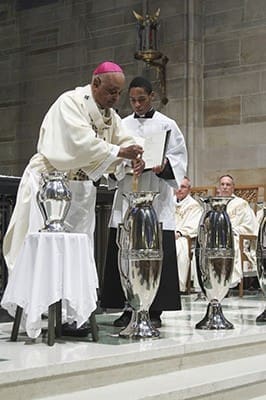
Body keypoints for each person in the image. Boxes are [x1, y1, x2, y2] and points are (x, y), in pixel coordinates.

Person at [2, 61, 144, 336]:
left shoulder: (109, 115)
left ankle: (71, 316)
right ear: (95, 84)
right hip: (51, 186)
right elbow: (78, 144)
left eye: (119, 94)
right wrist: (118, 152)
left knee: (78, 255)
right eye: (111, 92)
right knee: (47, 254)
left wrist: (134, 158)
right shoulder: (70, 102)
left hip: (81, 191)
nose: (115, 99)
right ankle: (37, 314)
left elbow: (125, 141)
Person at [100, 76, 187, 328]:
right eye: (133, 100)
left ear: (151, 97)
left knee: (153, 252)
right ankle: (129, 306)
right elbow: (111, 157)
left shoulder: (167, 124)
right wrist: (125, 163)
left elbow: (180, 158)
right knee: (126, 252)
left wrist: (164, 167)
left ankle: (154, 308)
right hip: (128, 194)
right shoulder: (121, 124)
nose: (137, 104)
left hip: (156, 198)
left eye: (141, 99)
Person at [218, 175, 258, 287]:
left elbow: (249, 226)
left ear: (233, 187)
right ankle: (212, 282)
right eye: (222, 184)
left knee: (230, 243)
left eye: (228, 184)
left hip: (237, 237)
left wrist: (231, 231)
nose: (225, 187)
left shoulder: (241, 203)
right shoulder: (214, 204)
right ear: (219, 187)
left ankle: (228, 283)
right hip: (217, 237)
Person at [174, 177, 203, 292]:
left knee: (178, 246)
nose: (180, 189)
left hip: (185, 239)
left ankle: (178, 286)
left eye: (183, 187)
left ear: (189, 189)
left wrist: (180, 233)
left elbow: (194, 225)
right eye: (178, 186)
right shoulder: (167, 203)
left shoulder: (194, 206)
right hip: (168, 235)